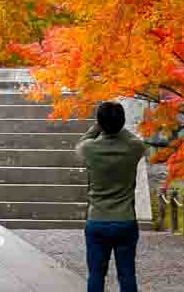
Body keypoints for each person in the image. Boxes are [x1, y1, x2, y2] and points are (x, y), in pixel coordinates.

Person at [76, 99, 148, 292]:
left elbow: (81, 142)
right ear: (122, 122)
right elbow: (136, 140)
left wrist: (98, 126)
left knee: (96, 275)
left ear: (99, 122)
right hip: (125, 219)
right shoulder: (134, 148)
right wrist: (118, 126)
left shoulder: (89, 149)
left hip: (97, 219)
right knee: (127, 274)